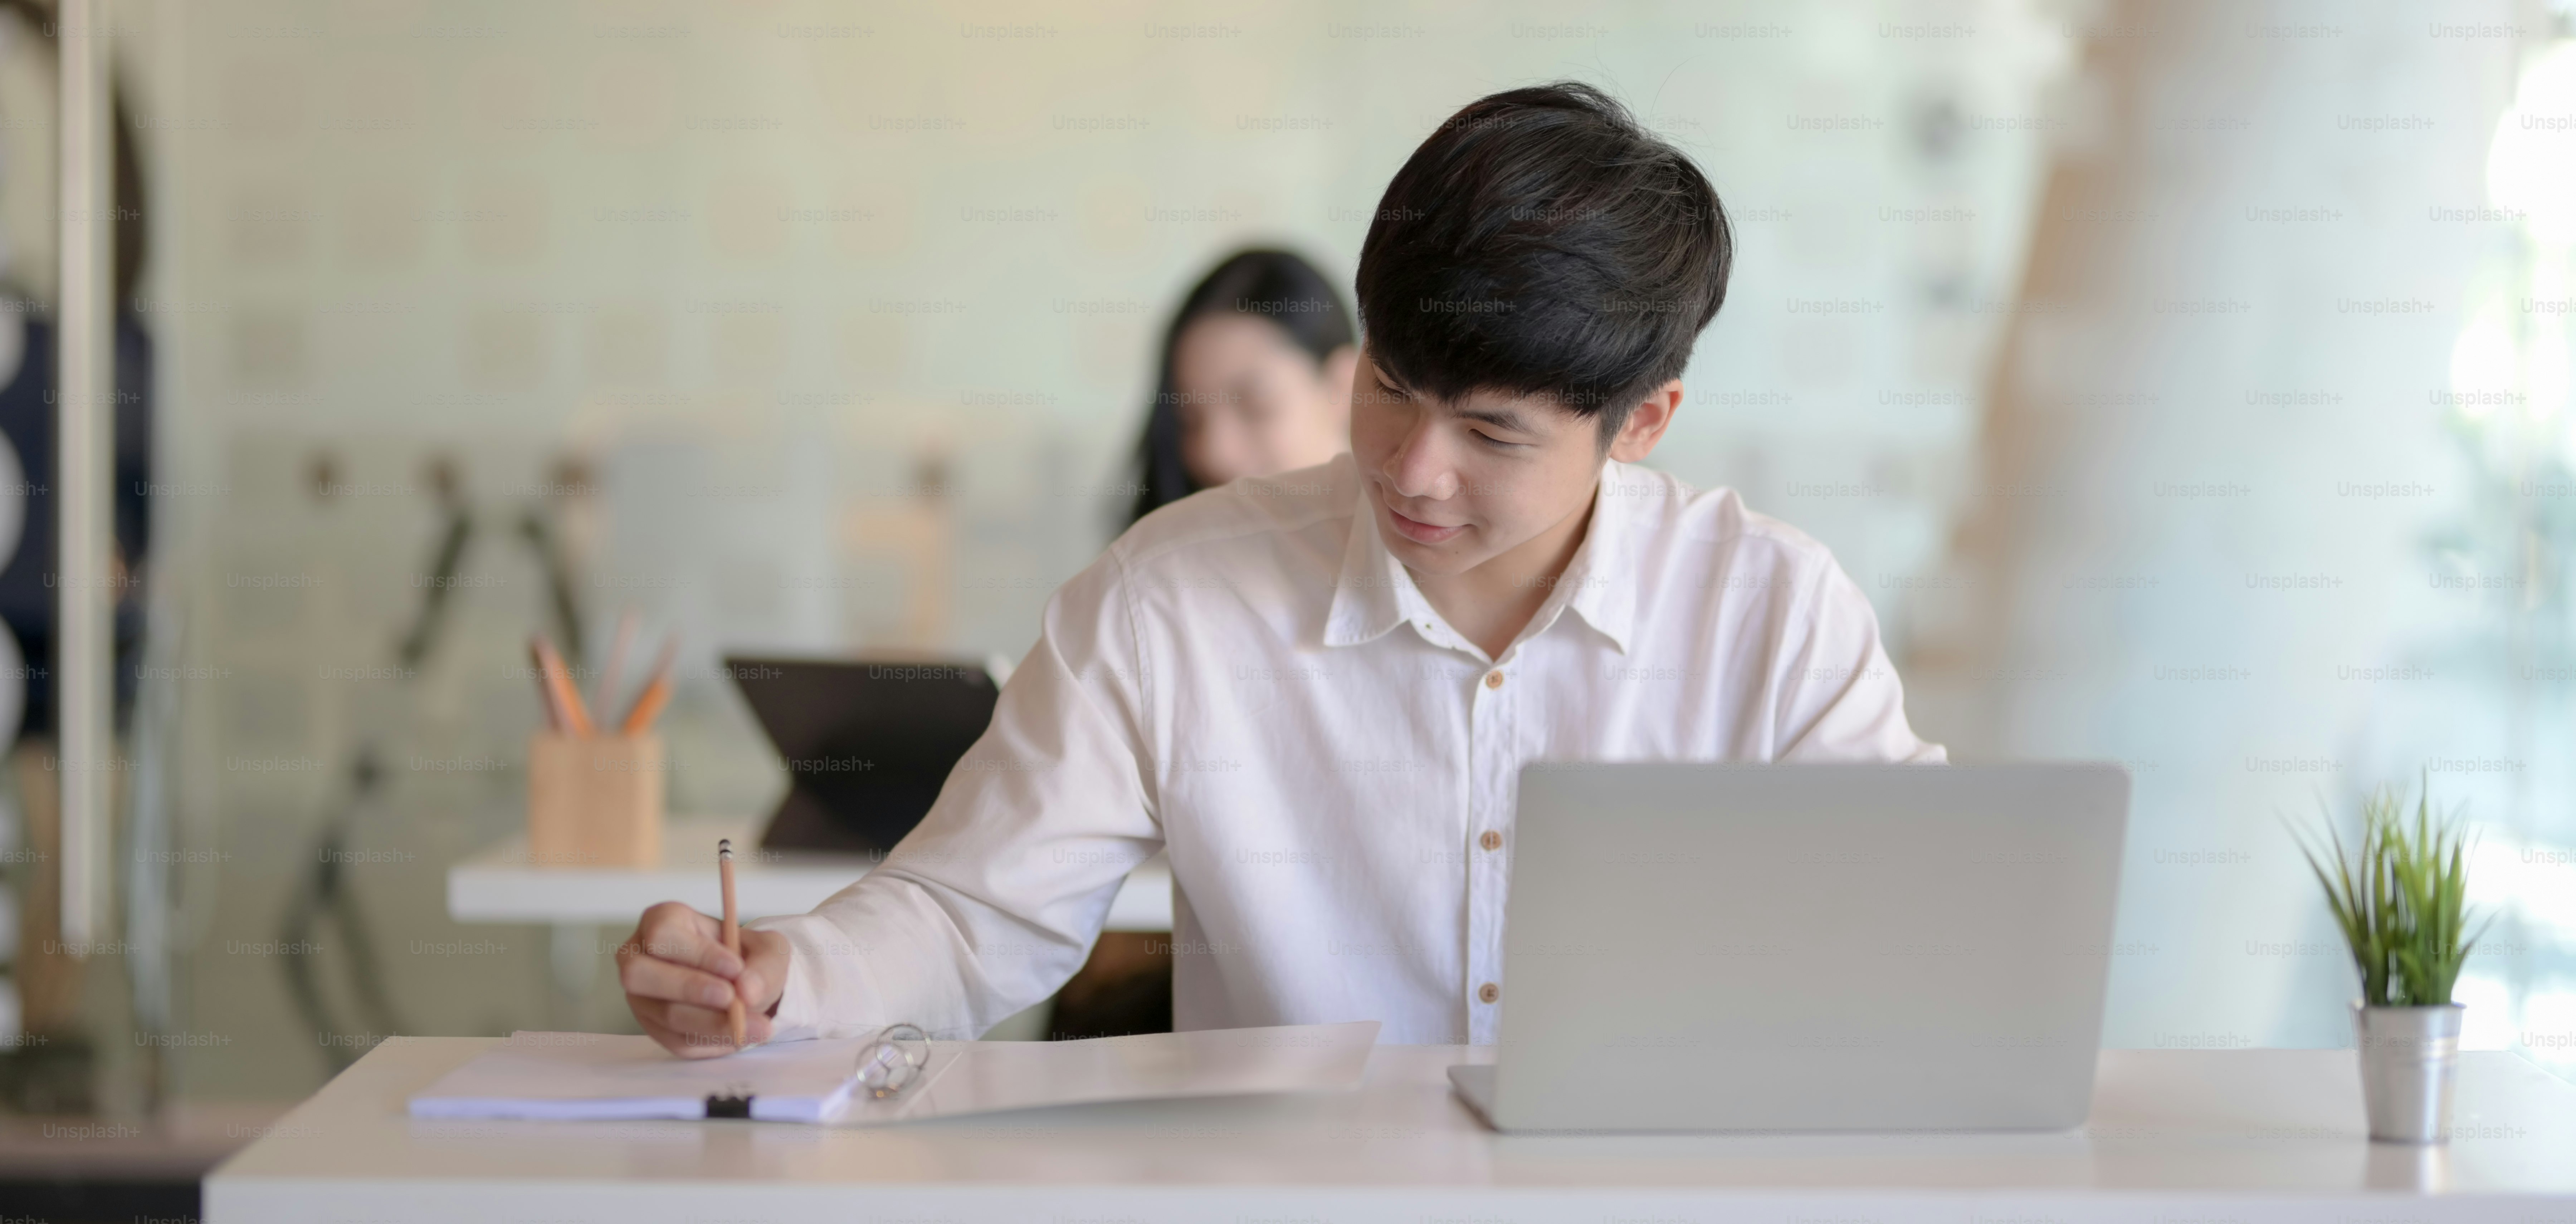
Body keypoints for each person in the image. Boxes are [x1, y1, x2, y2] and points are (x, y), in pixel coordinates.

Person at [617, 82, 1944, 1055]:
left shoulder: (1767, 613)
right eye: (1387, 387)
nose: (1411, 469)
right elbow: (971, 908)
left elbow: (1914, 939)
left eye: (1488, 433)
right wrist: (793, 973)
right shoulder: (1172, 598)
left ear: (1641, 422)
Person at [1127, 248, 1358, 525]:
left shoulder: (1407, 556)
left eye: (1254, 406)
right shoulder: (1158, 559)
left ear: (1344, 386)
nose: (1215, 455)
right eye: (1188, 419)